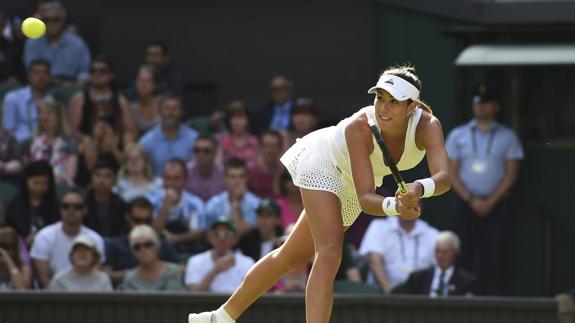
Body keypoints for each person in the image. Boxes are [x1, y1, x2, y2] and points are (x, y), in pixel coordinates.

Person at [188, 65, 451, 323]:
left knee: (292, 256)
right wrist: (397, 206)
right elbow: (366, 199)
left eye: (394, 101)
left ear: (412, 107)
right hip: (324, 163)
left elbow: (444, 178)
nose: (383, 108)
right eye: (380, 98)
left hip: (353, 180)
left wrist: (417, 189)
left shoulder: (428, 126)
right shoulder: (359, 126)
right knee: (329, 252)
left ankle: (219, 317)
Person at [445, 84, 524, 295]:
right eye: (478, 103)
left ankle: (493, 301)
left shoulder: (508, 137)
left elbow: (511, 174)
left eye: (486, 103)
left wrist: (490, 202)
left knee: (494, 256)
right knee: (463, 253)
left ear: (496, 107)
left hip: (496, 205)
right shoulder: (458, 135)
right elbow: (450, 172)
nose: (481, 108)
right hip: (465, 203)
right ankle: (463, 298)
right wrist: (470, 199)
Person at [30, 189, 105, 288]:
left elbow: (95, 276)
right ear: (60, 209)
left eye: (77, 207)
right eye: (66, 206)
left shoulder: (95, 239)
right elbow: (44, 280)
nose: (71, 210)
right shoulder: (44, 236)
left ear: (85, 210)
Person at [102, 197, 180, 286]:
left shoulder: (161, 243)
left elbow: (181, 268)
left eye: (147, 221)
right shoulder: (114, 245)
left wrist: (156, 269)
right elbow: (105, 275)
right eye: (138, 221)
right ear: (128, 218)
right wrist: (137, 274)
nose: (143, 225)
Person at [68, 57, 137, 148]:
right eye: (93, 71)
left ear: (111, 75)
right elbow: (72, 131)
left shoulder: (121, 101)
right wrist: (89, 141)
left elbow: (132, 132)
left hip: (116, 147)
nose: (97, 74)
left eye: (103, 71)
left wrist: (114, 143)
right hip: (86, 147)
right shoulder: (79, 99)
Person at [359, 216, 439, 293]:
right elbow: (374, 261)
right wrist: (389, 293)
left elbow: (440, 267)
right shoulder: (379, 226)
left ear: (420, 207)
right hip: (384, 295)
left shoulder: (432, 234)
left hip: (422, 296)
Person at [23, 2, 90, 85]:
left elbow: (84, 72)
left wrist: (75, 87)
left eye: (55, 20)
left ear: (63, 21)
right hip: (41, 88)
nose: (51, 24)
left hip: (70, 88)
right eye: (47, 20)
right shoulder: (32, 43)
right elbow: (31, 72)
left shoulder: (77, 44)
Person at [149, 159, 205, 252]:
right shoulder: (152, 201)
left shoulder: (195, 203)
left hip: (187, 249)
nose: (171, 183)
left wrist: (177, 239)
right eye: (167, 178)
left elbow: (198, 233)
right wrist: (166, 205)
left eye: (176, 178)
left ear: (185, 180)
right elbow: (153, 231)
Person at [185, 218, 254, 293]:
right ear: (209, 238)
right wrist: (214, 271)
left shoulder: (247, 262)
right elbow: (193, 294)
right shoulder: (195, 261)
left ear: (235, 239)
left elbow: (251, 293)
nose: (221, 238)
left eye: (227, 234)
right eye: (216, 234)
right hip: (207, 304)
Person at [22, 97, 78, 187]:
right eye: (42, 113)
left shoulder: (69, 142)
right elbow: (26, 173)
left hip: (61, 184)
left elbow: (71, 175)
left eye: (50, 113)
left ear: (59, 117)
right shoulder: (29, 142)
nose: (45, 116)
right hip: (35, 185)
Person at [400, 231, 476, 297]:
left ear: (456, 253)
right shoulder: (417, 279)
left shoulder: (466, 281)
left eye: (445, 252)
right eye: (437, 251)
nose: (440, 256)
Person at [139, 93, 199, 176]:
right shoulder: (146, 142)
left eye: (175, 108)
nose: (171, 113)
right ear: (160, 112)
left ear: (182, 111)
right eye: (167, 108)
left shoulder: (195, 139)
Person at [5, 160, 59, 247]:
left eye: (44, 183)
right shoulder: (13, 207)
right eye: (35, 183)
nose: (39, 187)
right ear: (26, 181)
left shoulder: (56, 207)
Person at [120, 224, 185, 291]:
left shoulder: (172, 271)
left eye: (148, 245)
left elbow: (171, 300)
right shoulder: (130, 277)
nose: (143, 250)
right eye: (137, 247)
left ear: (156, 246)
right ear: (133, 252)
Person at [205, 158, 260, 236]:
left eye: (241, 177)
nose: (237, 182)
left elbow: (241, 232)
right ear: (225, 179)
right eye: (232, 177)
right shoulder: (213, 204)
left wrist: (236, 202)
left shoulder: (256, 204)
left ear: (247, 178)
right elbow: (209, 234)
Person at [2, 59, 51, 143]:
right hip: (19, 144)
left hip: (44, 144)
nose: (41, 77)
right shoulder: (12, 98)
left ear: (50, 77)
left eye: (45, 73)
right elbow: (8, 132)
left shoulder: (51, 101)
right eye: (36, 73)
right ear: (29, 76)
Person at [47, 234, 112, 292]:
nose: (82, 253)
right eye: (78, 250)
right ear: (71, 255)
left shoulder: (103, 280)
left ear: (94, 256)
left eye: (86, 250)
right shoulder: (59, 279)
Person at [83, 156, 128, 237]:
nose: (102, 180)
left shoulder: (121, 205)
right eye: (98, 175)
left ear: (114, 181)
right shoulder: (82, 203)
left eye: (107, 176)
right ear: (91, 178)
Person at [216, 100, 259, 165]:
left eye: (240, 116)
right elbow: (217, 166)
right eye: (232, 117)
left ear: (248, 119)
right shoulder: (219, 140)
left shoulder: (256, 141)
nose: (236, 121)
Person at [185, 135, 226, 202]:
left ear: (215, 153)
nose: (201, 154)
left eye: (206, 151)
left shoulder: (224, 174)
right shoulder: (185, 172)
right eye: (197, 150)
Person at [247, 130, 284, 198]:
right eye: (267, 145)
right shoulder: (249, 171)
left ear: (280, 148)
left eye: (274, 146)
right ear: (260, 147)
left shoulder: (284, 173)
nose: (271, 150)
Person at [130, 65, 161, 134]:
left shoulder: (163, 104)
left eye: (148, 81)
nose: (143, 84)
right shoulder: (131, 109)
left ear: (155, 85)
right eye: (140, 80)